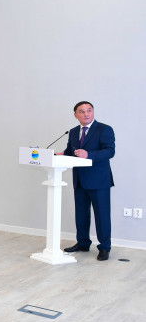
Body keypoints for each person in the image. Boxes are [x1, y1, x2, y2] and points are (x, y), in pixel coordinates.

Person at [61, 101, 115, 261]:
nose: (86, 114)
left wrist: (89, 155)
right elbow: (71, 151)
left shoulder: (104, 129)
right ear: (75, 115)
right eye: (82, 111)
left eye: (89, 110)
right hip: (80, 180)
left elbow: (110, 151)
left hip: (99, 181)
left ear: (93, 112)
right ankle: (83, 243)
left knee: (102, 215)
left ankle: (104, 247)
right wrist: (58, 155)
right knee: (81, 215)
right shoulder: (73, 132)